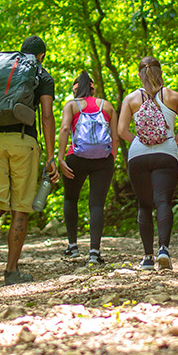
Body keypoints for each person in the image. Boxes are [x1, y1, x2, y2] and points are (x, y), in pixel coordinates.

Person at [0, 36, 58, 285]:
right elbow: (46, 116)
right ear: (41, 55)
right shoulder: (41, 75)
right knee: (20, 207)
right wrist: (51, 154)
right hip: (24, 141)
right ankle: (11, 271)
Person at [118, 56, 178, 271]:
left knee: (144, 204)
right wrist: (170, 141)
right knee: (163, 202)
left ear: (139, 75)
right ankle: (163, 250)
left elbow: (121, 131)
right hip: (166, 154)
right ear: (161, 72)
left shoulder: (131, 99)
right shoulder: (173, 96)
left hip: (138, 156)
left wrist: (141, 143)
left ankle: (148, 258)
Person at [56, 71, 119, 265]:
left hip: (76, 158)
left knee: (71, 198)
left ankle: (73, 247)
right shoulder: (106, 106)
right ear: (93, 87)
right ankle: (94, 252)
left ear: (75, 89)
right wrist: (111, 158)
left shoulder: (72, 105)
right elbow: (115, 137)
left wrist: (59, 158)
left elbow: (66, 129)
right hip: (103, 159)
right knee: (97, 204)